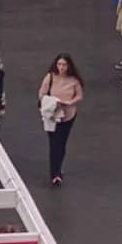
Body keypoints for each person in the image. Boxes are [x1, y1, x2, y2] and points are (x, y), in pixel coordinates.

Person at [39, 54, 83, 186]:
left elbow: (79, 95)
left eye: (64, 65)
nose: (61, 67)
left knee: (62, 143)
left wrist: (70, 102)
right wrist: (52, 102)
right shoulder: (50, 77)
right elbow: (42, 94)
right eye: (59, 64)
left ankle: (58, 167)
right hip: (52, 116)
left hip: (68, 115)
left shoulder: (74, 80)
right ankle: (55, 173)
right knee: (54, 144)